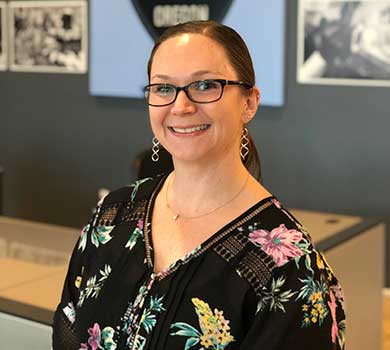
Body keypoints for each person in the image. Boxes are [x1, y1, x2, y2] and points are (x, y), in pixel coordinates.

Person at [52, 20, 346, 350]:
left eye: (205, 85)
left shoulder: (289, 270)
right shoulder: (113, 214)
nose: (181, 106)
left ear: (249, 102)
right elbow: (68, 330)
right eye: (163, 88)